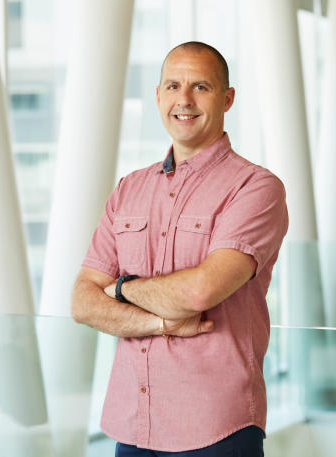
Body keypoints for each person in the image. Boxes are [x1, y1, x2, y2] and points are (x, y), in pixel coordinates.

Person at [72, 41, 288, 457]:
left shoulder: (256, 188)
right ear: (157, 96)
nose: (184, 100)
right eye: (173, 86)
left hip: (216, 428)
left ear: (227, 99)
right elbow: (82, 302)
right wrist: (163, 324)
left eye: (201, 87)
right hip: (132, 424)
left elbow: (199, 293)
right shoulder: (128, 189)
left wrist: (120, 288)